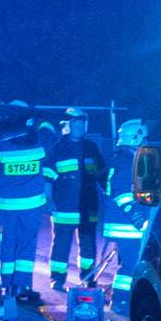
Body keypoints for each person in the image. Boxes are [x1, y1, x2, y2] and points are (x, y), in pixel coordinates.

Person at [0, 118, 54, 300]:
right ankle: (22, 285)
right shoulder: (39, 145)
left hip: (6, 205)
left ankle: (5, 285)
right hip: (32, 205)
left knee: (7, 244)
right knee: (27, 244)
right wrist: (43, 122)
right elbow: (50, 134)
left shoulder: (1, 147)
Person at [47, 108, 107, 291]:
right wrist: (50, 201)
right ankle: (57, 279)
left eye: (82, 124)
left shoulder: (91, 148)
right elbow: (47, 178)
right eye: (76, 124)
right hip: (64, 206)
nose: (80, 127)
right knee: (61, 244)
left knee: (88, 245)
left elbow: (102, 173)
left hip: (87, 206)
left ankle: (88, 277)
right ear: (67, 126)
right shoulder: (57, 149)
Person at [102, 119, 149, 312]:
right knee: (129, 266)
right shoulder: (126, 160)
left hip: (126, 224)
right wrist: (138, 218)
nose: (146, 142)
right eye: (144, 138)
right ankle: (121, 301)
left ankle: (122, 300)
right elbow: (121, 194)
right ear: (135, 137)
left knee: (129, 264)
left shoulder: (126, 157)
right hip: (127, 225)